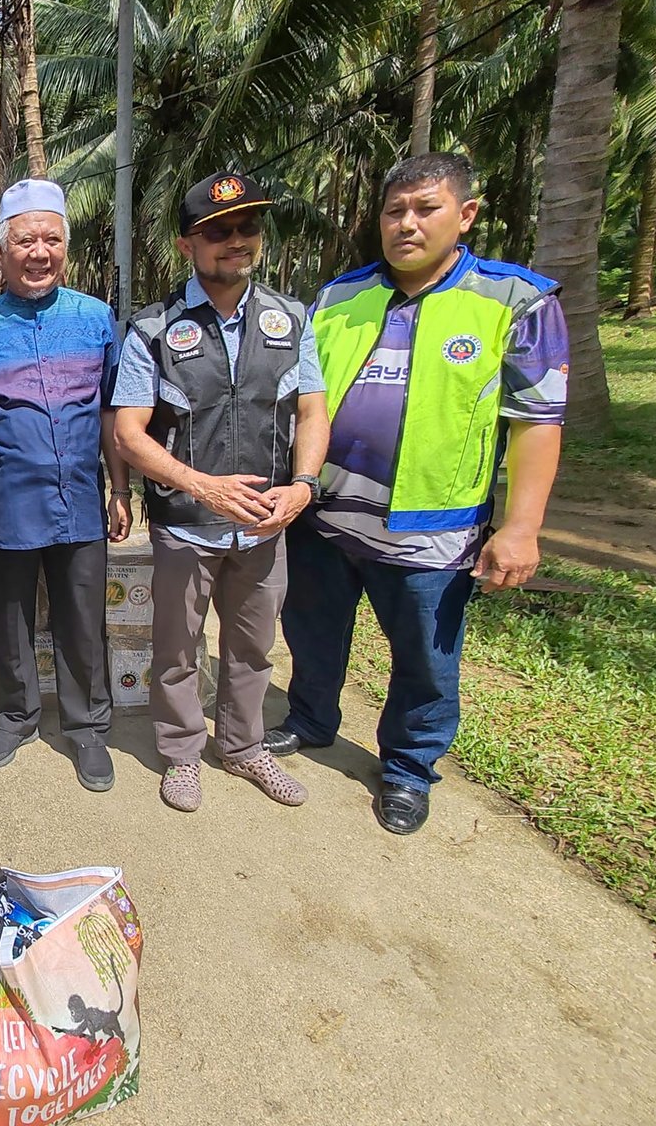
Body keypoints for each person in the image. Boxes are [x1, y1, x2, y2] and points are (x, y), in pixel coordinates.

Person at [264, 152, 567, 835]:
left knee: (426, 661)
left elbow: (538, 423)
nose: (406, 224)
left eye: (425, 209)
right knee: (312, 633)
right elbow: (300, 401)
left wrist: (521, 527)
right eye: (394, 211)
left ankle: (407, 768)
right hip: (327, 514)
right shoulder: (341, 297)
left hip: (431, 527)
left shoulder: (513, 300)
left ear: (465, 215)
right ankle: (311, 720)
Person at [113, 171, 330, 812]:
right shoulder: (153, 328)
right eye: (218, 232)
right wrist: (199, 486)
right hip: (185, 522)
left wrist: (305, 487)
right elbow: (129, 433)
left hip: (265, 523)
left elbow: (312, 414)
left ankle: (243, 747)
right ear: (187, 247)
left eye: (247, 228)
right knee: (177, 650)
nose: (236, 241)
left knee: (253, 648)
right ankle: (181, 753)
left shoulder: (291, 319)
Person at [0, 179, 131, 792]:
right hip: (7, 506)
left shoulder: (96, 319)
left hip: (80, 502)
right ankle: (17, 716)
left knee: (81, 618)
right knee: (10, 617)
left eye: (52, 239)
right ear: (0, 251)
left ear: (66, 248)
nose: (39, 252)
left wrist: (119, 488)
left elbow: (111, 414)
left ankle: (86, 729)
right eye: (25, 240)